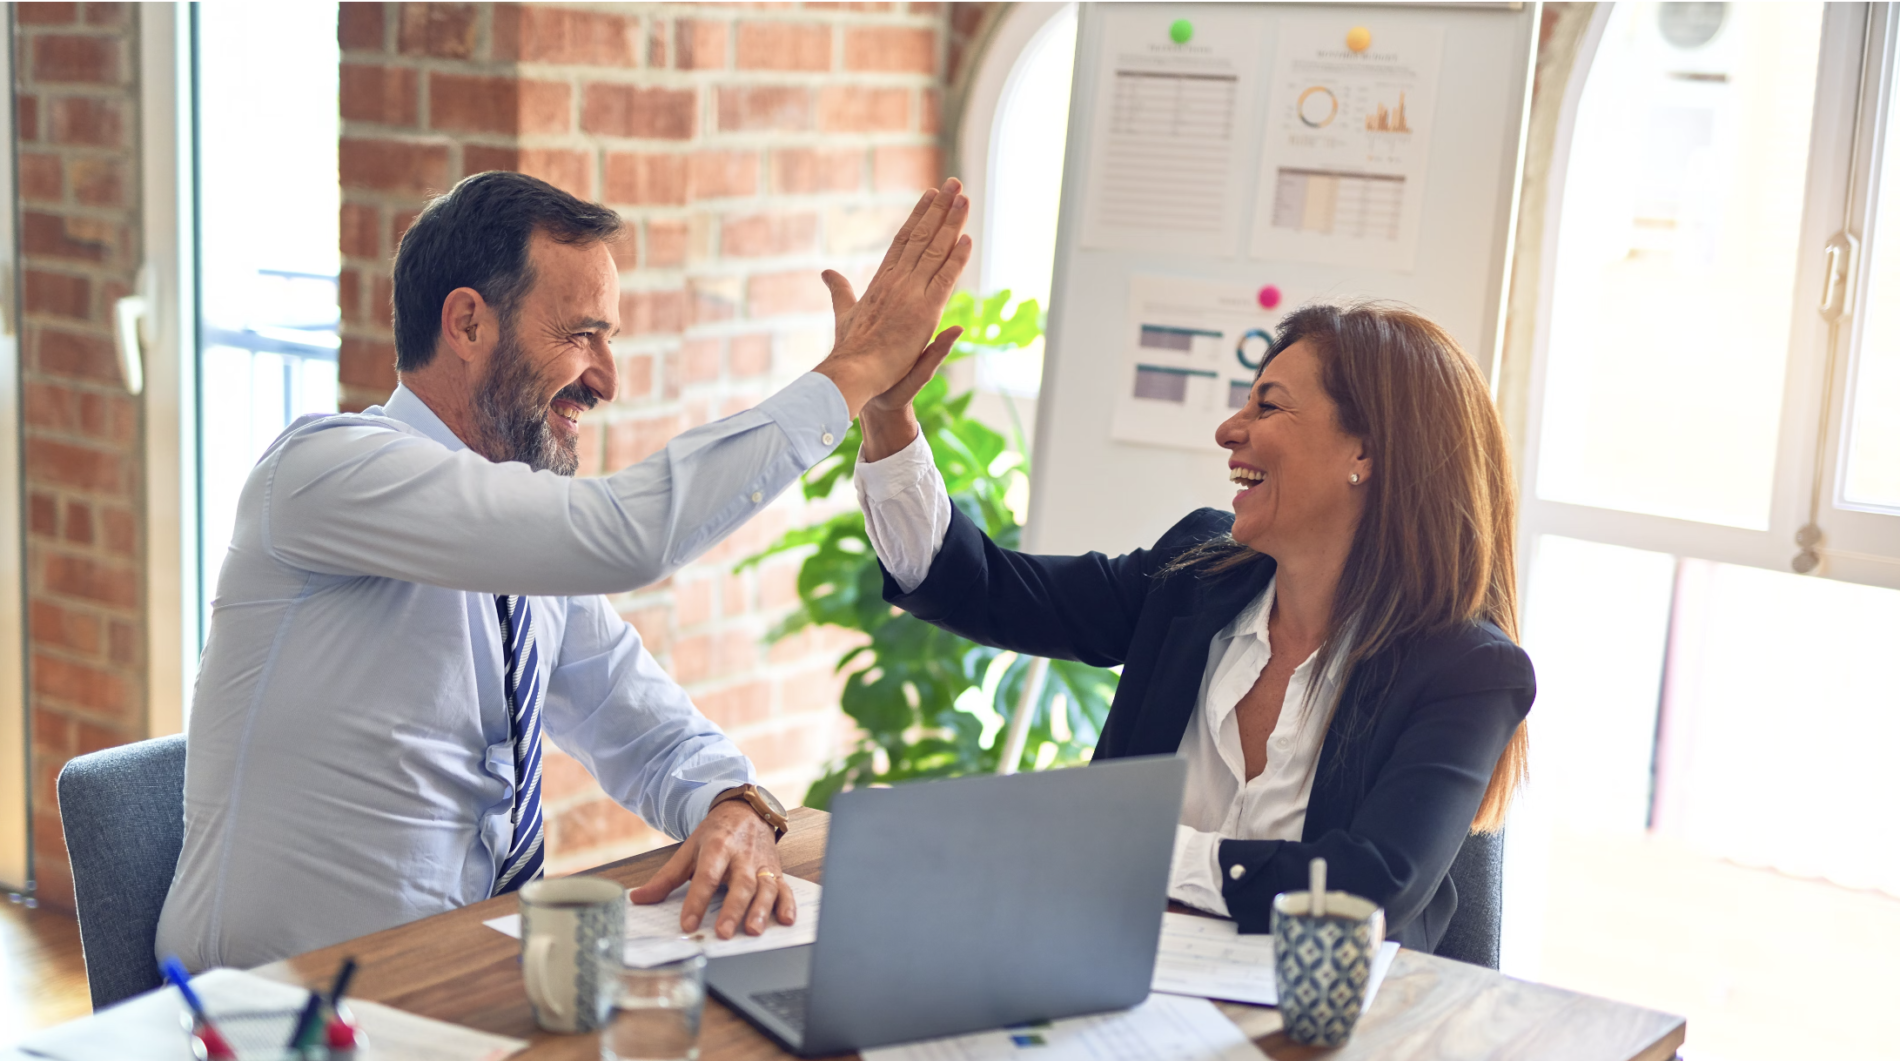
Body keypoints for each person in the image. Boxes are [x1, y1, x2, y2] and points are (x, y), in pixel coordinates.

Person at [157, 171, 973, 970]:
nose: (606, 380)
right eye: (583, 334)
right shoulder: (325, 472)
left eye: (609, 339)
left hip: (458, 985)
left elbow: (644, 726)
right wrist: (853, 373)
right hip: (273, 1020)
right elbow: (627, 535)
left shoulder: (521, 549)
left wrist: (734, 804)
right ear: (469, 325)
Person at [850, 302, 1534, 951]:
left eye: (1267, 405)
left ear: (1366, 453)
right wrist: (888, 416)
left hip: (1327, 1040)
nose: (1229, 430)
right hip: (1115, 984)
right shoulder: (1195, 576)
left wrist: (1132, 848)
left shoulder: (1467, 671)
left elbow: (1365, 890)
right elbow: (981, 589)